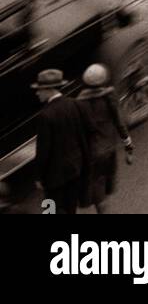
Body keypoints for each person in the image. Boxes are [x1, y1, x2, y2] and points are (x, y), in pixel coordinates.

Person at [77, 63, 132, 214]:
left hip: (92, 154)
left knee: (97, 189)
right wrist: (128, 146)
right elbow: (120, 124)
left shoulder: (79, 103)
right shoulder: (110, 97)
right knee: (104, 184)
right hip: (109, 150)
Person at [32, 68, 88, 214]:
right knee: (71, 207)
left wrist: (38, 176)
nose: (37, 93)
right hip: (75, 168)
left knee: (51, 208)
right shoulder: (75, 104)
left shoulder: (45, 115)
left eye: (39, 89)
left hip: (54, 176)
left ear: (48, 90)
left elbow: (43, 150)